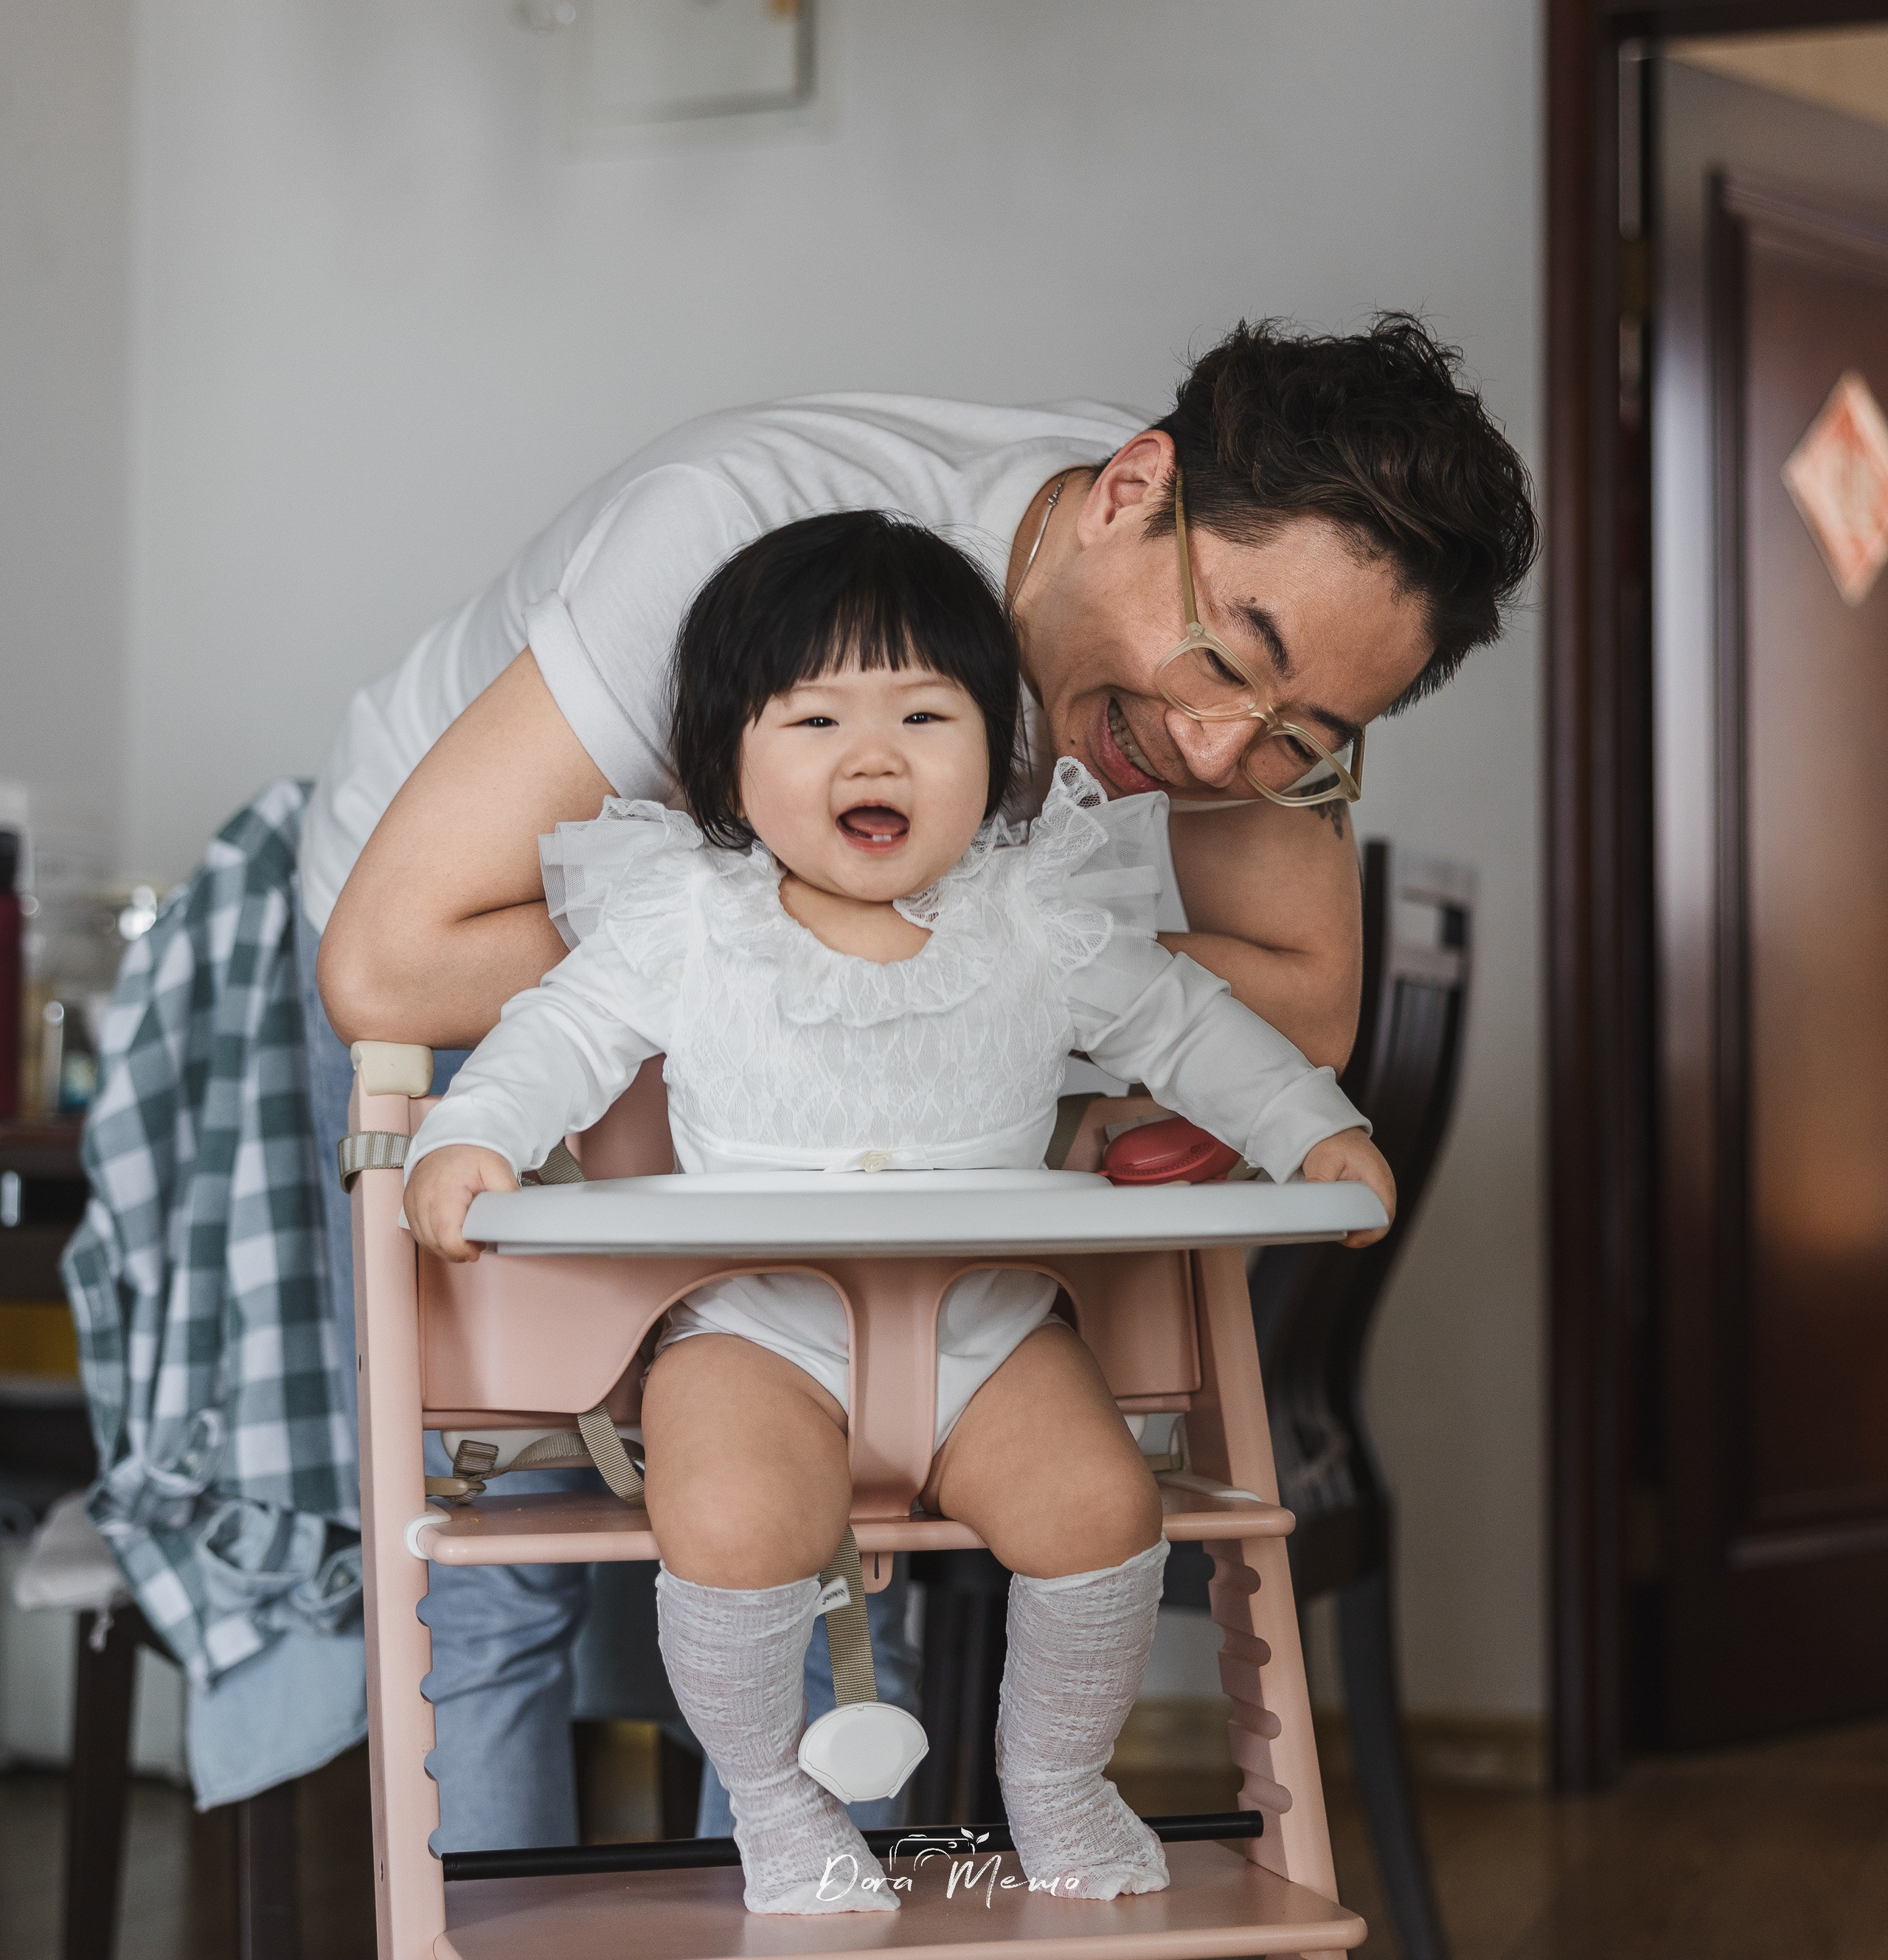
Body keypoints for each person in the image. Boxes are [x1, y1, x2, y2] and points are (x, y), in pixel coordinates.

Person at [302, 314, 1537, 1849]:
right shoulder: (731, 529)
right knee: (513, 1556)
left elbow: (1301, 1003)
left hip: (816, 1064)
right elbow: (395, 958)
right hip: (471, 920)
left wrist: (985, 958)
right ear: (1129, 489)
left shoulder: (1242, 643)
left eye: (1302, 739)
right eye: (1228, 662)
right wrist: (772, 939)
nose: (1222, 755)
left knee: (839, 1526)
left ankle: (793, 1901)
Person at [400, 512, 1389, 1911]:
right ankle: (774, 1805)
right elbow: (552, 1037)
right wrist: (471, 1137)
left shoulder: (1038, 917)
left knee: (1106, 1507)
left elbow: (1193, 1028)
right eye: (814, 720)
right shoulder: (689, 924)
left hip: (990, 1332)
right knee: (727, 1519)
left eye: (925, 715)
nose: (874, 756)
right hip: (752, 1332)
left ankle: (1057, 1778)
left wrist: (1314, 1131)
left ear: (997, 746)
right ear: (728, 762)